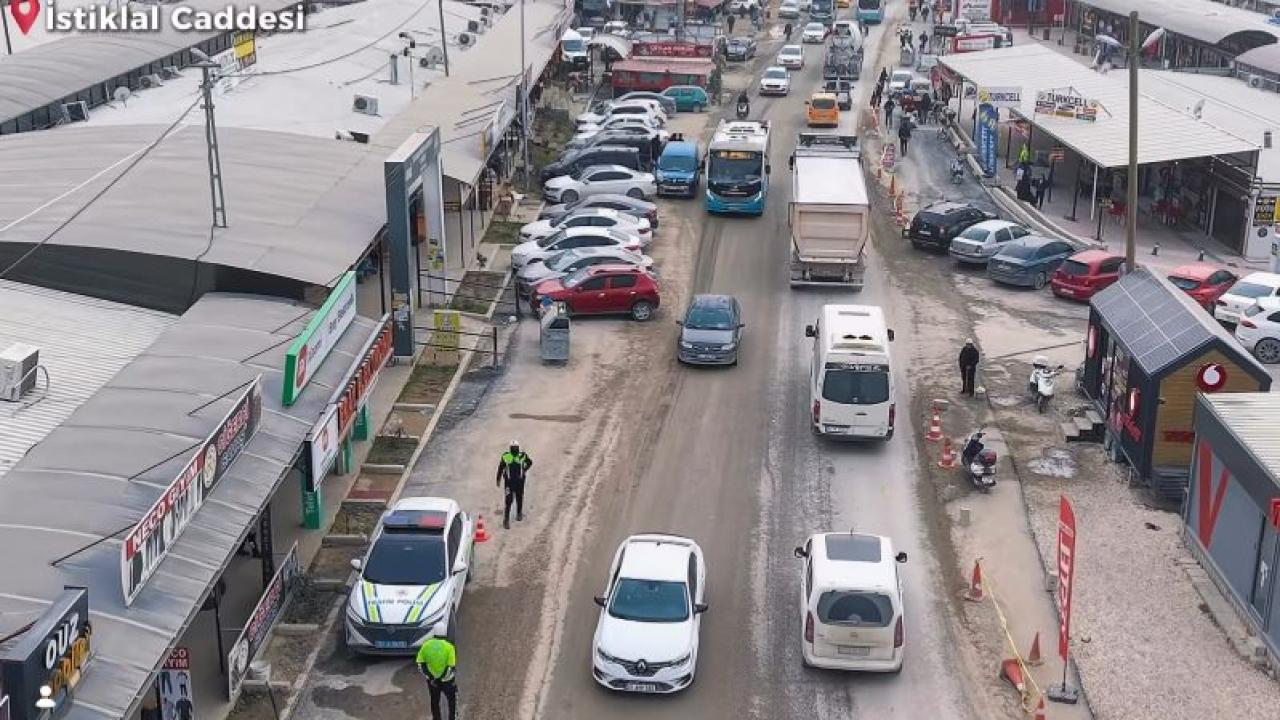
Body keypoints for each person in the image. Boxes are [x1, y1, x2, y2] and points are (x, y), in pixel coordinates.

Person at [416, 630, 458, 720]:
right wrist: (441, 678)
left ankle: (436, 718)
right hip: (447, 681)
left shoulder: (426, 645)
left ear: (434, 633)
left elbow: (420, 664)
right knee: (452, 701)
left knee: (434, 701)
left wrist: (432, 678)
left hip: (432, 682)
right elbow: (451, 667)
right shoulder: (449, 647)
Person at [496, 441, 533, 529]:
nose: (514, 449)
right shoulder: (506, 456)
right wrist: (498, 479)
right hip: (509, 483)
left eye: (516, 447)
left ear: (518, 447)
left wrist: (524, 469)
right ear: (510, 448)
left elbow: (530, 462)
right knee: (508, 500)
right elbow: (500, 468)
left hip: (520, 482)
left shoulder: (522, 455)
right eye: (513, 447)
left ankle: (519, 513)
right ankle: (506, 520)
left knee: (519, 497)